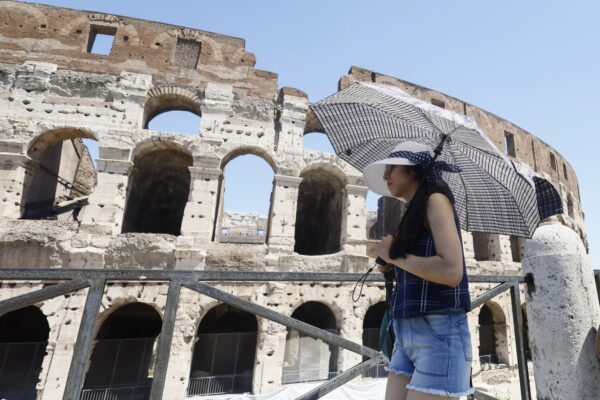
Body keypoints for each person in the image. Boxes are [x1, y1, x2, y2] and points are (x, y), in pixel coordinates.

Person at [363, 141, 474, 400]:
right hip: (406, 332)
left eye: (392, 167)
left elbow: (451, 271)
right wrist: (391, 264)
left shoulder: (436, 200)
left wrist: (396, 257)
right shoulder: (412, 211)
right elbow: (415, 266)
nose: (385, 175)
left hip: (438, 332)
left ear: (413, 170)